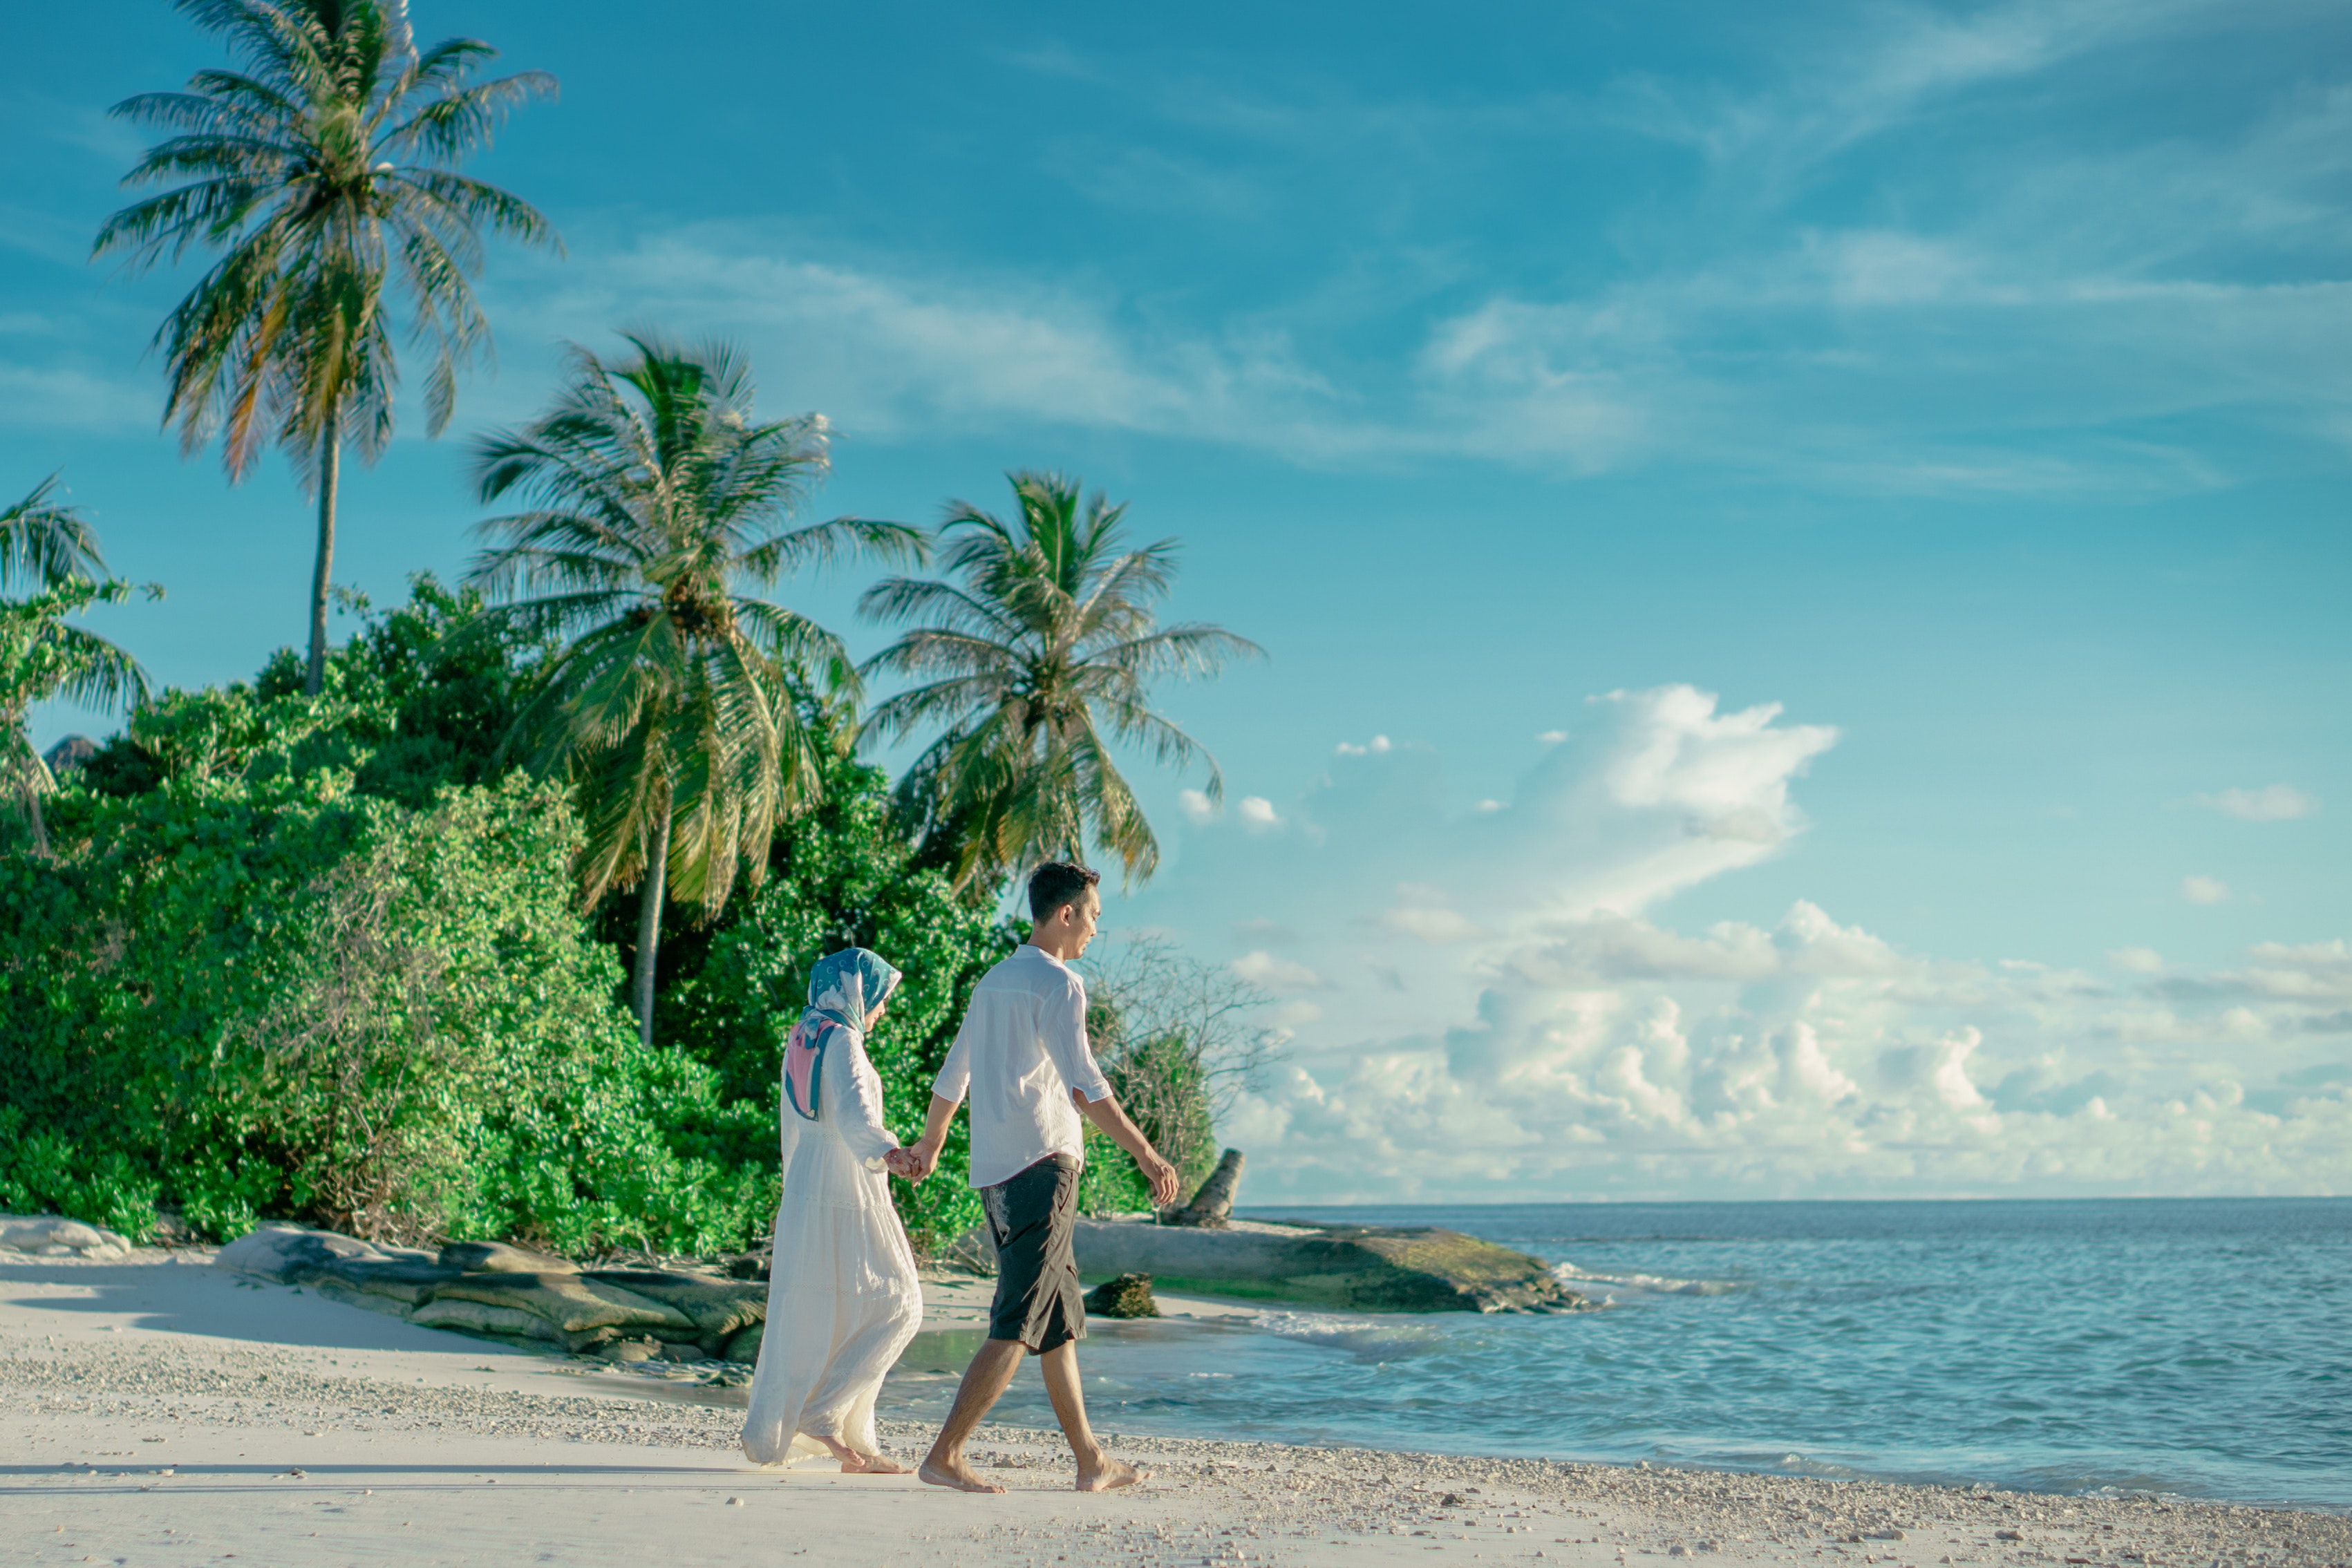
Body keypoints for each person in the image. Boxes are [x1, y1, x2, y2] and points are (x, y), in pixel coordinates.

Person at [899, 860, 1183, 1494]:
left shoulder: (993, 982)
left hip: (995, 1173)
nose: (1094, 931)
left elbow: (953, 1075)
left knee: (1056, 1318)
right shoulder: (1060, 984)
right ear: (1065, 914)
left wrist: (932, 1144)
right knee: (1019, 1320)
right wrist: (1145, 1153)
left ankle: (1090, 1460)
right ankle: (945, 1453)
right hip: (1043, 1166)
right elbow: (1084, 1085)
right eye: (1094, 917)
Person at [740, 947, 925, 1473]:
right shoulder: (841, 1038)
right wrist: (891, 1154)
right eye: (881, 997)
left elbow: (794, 1124)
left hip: (810, 1181)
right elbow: (854, 1114)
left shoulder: (804, 1033)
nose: (882, 1010)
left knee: (827, 1307)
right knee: (901, 1301)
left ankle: (848, 1441)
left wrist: (798, 1182)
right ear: (856, 989)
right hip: (845, 1181)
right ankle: (823, 1415)